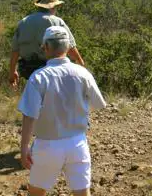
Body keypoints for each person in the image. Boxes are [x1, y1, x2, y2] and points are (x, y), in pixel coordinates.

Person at [18, 26, 107, 196]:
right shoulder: (83, 73)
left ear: (46, 47)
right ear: (67, 48)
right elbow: (97, 104)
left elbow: (29, 115)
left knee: (37, 191)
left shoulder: (39, 77)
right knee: (82, 192)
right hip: (77, 143)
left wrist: (24, 148)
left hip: (46, 144)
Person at [10, 0, 85, 88]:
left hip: (28, 71)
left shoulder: (23, 22)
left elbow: (15, 50)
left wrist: (12, 72)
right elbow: (70, 46)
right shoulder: (57, 21)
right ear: (53, 7)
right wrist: (81, 64)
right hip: (51, 70)